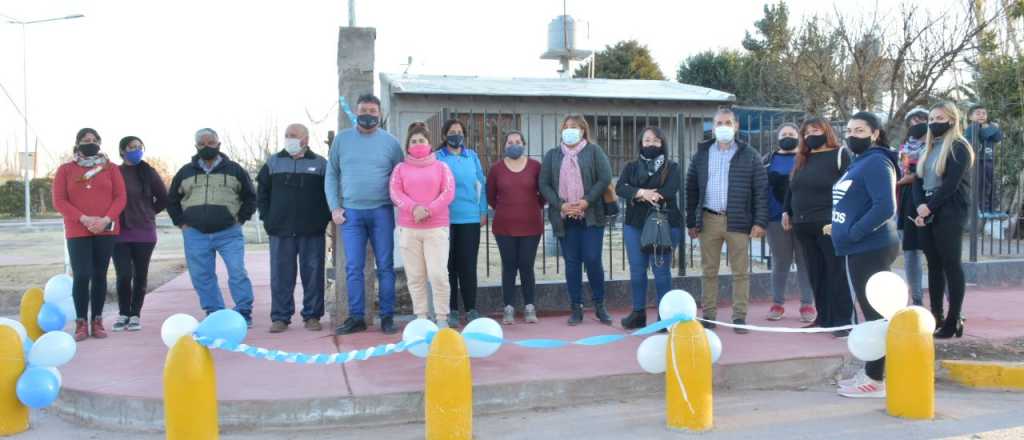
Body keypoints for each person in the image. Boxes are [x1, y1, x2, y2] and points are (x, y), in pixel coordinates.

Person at [832, 112, 900, 398]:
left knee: (874, 316)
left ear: (874, 133)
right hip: (858, 247)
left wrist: (854, 232)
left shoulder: (876, 162)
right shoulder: (860, 161)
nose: (852, 135)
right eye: (849, 130)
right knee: (869, 313)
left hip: (870, 247)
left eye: (859, 130)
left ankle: (875, 380)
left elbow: (885, 207)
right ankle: (872, 372)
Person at [325, 94, 403, 335]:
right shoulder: (342, 141)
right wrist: (335, 207)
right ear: (356, 113)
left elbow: (401, 175)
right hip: (351, 215)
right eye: (363, 110)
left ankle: (388, 316)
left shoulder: (391, 143)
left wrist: (402, 207)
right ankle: (356, 317)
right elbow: (331, 175)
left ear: (380, 114)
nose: (368, 115)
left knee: (386, 267)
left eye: (373, 111)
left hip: (382, 211)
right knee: (353, 267)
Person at [685, 108, 768, 334]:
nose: (723, 127)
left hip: (738, 220)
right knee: (708, 270)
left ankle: (739, 317)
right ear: (713, 127)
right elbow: (691, 188)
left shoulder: (749, 154)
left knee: (740, 272)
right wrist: (691, 221)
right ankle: (709, 316)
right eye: (719, 123)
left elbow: (761, 190)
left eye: (728, 123)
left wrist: (760, 222)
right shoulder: (702, 154)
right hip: (708, 219)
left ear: (736, 126)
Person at [167, 128, 257, 327]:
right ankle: (214, 312)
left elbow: (250, 197)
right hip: (195, 234)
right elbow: (172, 200)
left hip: (229, 233)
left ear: (218, 144)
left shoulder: (235, 169)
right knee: (202, 275)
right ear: (196, 147)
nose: (206, 147)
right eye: (202, 144)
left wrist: (240, 219)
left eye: (211, 143)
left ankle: (243, 312)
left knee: (237, 271)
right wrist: (181, 223)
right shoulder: (185, 172)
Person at [52, 128, 127, 341]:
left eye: (94, 140)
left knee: (99, 275)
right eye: (86, 140)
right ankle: (80, 322)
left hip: (106, 228)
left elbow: (120, 197)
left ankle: (97, 319)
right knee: (82, 275)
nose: (90, 143)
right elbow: (59, 201)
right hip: (77, 229)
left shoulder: (110, 168)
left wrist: (105, 220)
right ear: (77, 143)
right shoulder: (66, 169)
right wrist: (84, 218)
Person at [539, 114, 614, 326]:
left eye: (574, 126)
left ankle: (600, 305)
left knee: (592, 259)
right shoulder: (552, 155)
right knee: (572, 264)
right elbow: (544, 184)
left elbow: (605, 177)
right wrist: (561, 204)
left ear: (583, 131)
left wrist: (586, 201)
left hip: (590, 216)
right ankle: (576, 307)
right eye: (566, 126)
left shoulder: (594, 151)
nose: (569, 129)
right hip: (564, 217)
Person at [257, 123, 332, 333]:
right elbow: (261, 193)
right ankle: (280, 317)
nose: (289, 138)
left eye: (294, 135)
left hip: (312, 231)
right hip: (280, 230)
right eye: (287, 135)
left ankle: (312, 316)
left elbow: (330, 194)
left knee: (314, 273)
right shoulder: (273, 162)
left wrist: (321, 220)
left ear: (305, 139)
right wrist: (267, 218)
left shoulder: (319, 164)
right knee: (281, 275)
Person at [784, 118, 853, 335]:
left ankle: (842, 321)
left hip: (829, 224)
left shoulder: (840, 154)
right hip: (803, 224)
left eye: (816, 130)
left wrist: (842, 219)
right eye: (807, 132)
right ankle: (823, 318)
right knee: (816, 273)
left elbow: (850, 186)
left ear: (827, 131)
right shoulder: (802, 158)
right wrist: (787, 210)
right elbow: (792, 187)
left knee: (835, 272)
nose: (811, 134)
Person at [913, 102, 975, 339]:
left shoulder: (959, 146)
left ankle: (953, 320)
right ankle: (935, 316)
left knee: (951, 264)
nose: (934, 122)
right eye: (931, 118)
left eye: (939, 117)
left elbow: (951, 184)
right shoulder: (927, 147)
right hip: (928, 209)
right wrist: (921, 208)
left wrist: (928, 208)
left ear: (952, 120)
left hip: (949, 209)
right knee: (934, 264)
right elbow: (917, 179)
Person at [616, 127, 684, 330]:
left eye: (656, 140)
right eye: (647, 140)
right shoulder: (631, 167)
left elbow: (670, 190)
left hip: (664, 223)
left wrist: (646, 195)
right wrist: (642, 192)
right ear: (641, 143)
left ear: (662, 143)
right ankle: (638, 313)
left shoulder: (672, 167)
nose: (651, 144)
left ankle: (664, 317)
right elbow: (620, 187)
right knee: (637, 271)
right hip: (635, 225)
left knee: (661, 271)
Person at [390, 123, 456, 327]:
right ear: (408, 145)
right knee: (415, 276)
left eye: (422, 140)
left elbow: (448, 192)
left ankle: (442, 318)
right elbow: (395, 192)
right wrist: (413, 208)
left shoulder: (441, 167)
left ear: (429, 143)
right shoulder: (400, 168)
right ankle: (421, 317)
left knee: (438, 274)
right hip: (409, 230)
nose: (418, 144)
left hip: (436, 228)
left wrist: (428, 210)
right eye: (413, 141)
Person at [487, 131, 544, 325]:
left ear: (524, 144)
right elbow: (491, 196)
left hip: (531, 225)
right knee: (509, 266)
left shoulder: (536, 167)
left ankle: (529, 307)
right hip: (504, 226)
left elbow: (542, 194)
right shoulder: (496, 169)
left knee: (527, 266)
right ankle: (508, 308)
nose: (514, 145)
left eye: (517, 141)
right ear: (504, 146)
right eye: (510, 142)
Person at [111, 136, 167, 332]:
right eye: (131, 147)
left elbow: (163, 197)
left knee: (140, 275)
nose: (136, 150)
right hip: (120, 232)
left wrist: (149, 212)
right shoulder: (115, 172)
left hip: (144, 232)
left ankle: (135, 314)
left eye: (138, 147)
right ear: (122, 151)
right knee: (124, 274)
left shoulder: (148, 172)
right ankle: (123, 313)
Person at [435, 119, 488, 328]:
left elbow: (480, 184)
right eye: (452, 132)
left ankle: (471, 308)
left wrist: (483, 211)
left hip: (470, 218)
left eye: (459, 132)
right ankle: (452, 310)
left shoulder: (472, 156)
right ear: (444, 135)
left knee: (468, 264)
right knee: (448, 266)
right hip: (444, 219)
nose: (456, 135)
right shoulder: (438, 158)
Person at [764, 123, 814, 323]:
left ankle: (807, 305)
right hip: (775, 220)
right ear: (777, 138)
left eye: (791, 134)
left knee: (805, 262)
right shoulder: (768, 160)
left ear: (799, 137)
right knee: (780, 262)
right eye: (784, 134)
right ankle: (777, 304)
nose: (787, 137)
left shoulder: (807, 159)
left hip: (803, 219)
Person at [896, 108, 929, 306]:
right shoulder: (903, 149)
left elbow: (916, 175)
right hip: (908, 200)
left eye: (921, 120)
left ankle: (951, 303)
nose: (916, 125)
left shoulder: (938, 147)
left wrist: (904, 180)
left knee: (938, 253)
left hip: (931, 198)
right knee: (911, 250)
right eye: (913, 121)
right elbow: (903, 173)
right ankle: (916, 299)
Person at [964, 104, 1003, 214]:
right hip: (977, 160)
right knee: (981, 184)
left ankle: (991, 207)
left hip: (989, 159)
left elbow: (999, 136)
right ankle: (983, 208)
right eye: (978, 113)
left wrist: (992, 129)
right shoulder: (971, 128)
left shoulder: (987, 126)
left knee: (992, 183)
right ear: (970, 117)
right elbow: (985, 134)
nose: (981, 115)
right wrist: (993, 128)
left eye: (984, 113)